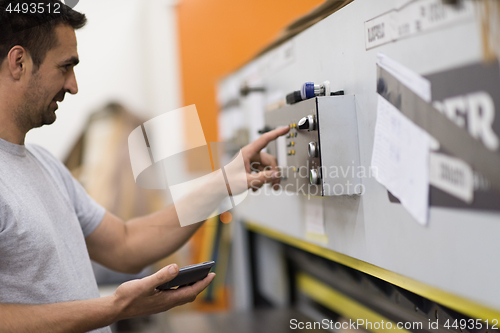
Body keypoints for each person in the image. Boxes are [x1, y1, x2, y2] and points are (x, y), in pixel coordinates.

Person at [0, 1, 289, 332]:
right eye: (65, 67)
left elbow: (125, 243)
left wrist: (222, 184)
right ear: (19, 62)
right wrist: (116, 307)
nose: (73, 85)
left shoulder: (45, 165)